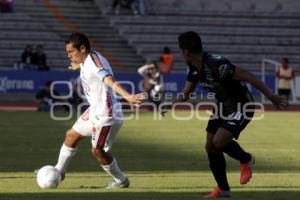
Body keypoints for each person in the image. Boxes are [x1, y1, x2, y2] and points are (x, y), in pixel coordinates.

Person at [161, 31, 288, 198]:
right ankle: (223, 189)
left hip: (242, 106)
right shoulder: (193, 68)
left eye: (180, 50)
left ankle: (246, 159)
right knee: (210, 146)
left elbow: (248, 76)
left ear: (186, 52)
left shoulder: (217, 65)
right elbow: (186, 93)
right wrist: (169, 104)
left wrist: (271, 96)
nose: (180, 54)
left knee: (219, 141)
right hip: (222, 106)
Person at [37, 32, 145, 189]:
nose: (69, 56)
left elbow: (109, 79)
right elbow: (88, 66)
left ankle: (121, 180)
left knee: (97, 151)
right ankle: (59, 171)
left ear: (82, 48)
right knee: (71, 135)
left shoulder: (94, 62)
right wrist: (78, 65)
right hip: (95, 110)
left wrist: (128, 96)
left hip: (106, 115)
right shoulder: (87, 59)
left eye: (71, 52)